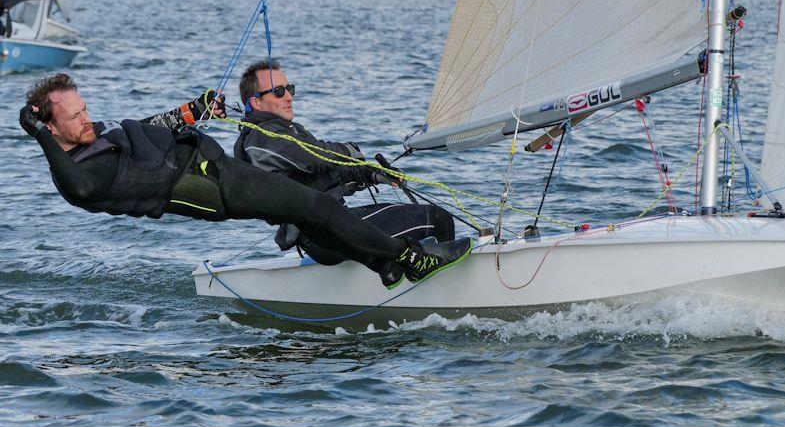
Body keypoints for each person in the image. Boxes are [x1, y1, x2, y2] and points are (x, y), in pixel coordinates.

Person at [19, 73, 472, 289]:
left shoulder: (96, 137)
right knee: (320, 209)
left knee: (312, 218)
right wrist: (41, 136)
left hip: (215, 169)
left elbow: (147, 130)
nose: (84, 119)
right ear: (50, 126)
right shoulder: (76, 174)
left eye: (83, 109)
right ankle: (412, 260)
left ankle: (385, 267)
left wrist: (192, 111)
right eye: (73, 117)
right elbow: (77, 189)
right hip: (213, 187)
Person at [234, 60, 456, 264]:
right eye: (279, 92)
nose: (289, 97)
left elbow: (321, 177)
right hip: (325, 234)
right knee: (437, 219)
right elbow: (313, 156)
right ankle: (443, 290)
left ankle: (412, 272)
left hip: (333, 227)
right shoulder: (262, 138)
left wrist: (369, 174)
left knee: (421, 228)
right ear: (256, 102)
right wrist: (349, 151)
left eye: (289, 89)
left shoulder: (281, 133)